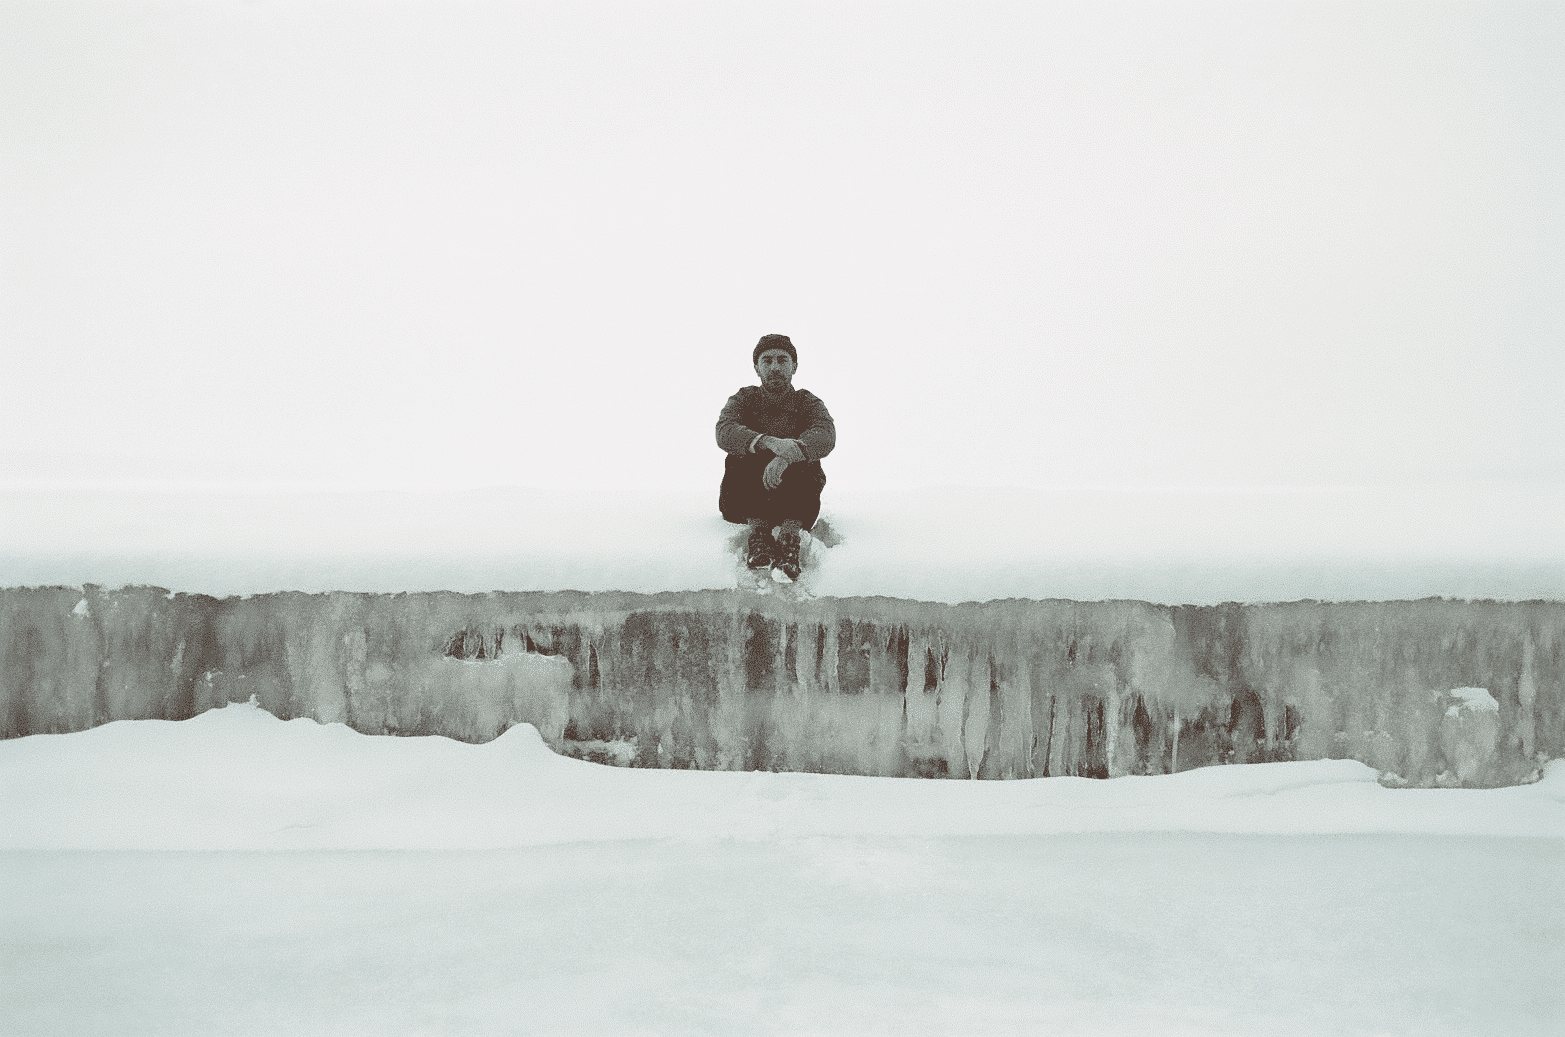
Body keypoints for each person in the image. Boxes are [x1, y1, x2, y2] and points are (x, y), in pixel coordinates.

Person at [715, 334, 836, 580]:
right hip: (743, 502)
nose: (775, 367)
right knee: (739, 454)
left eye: (782, 360)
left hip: (795, 503)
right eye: (767, 360)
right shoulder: (743, 399)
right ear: (757, 367)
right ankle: (759, 535)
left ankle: (789, 539)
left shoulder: (807, 402)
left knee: (808, 459)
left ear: (794, 366)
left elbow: (826, 435)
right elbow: (724, 431)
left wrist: (787, 456)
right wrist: (768, 442)